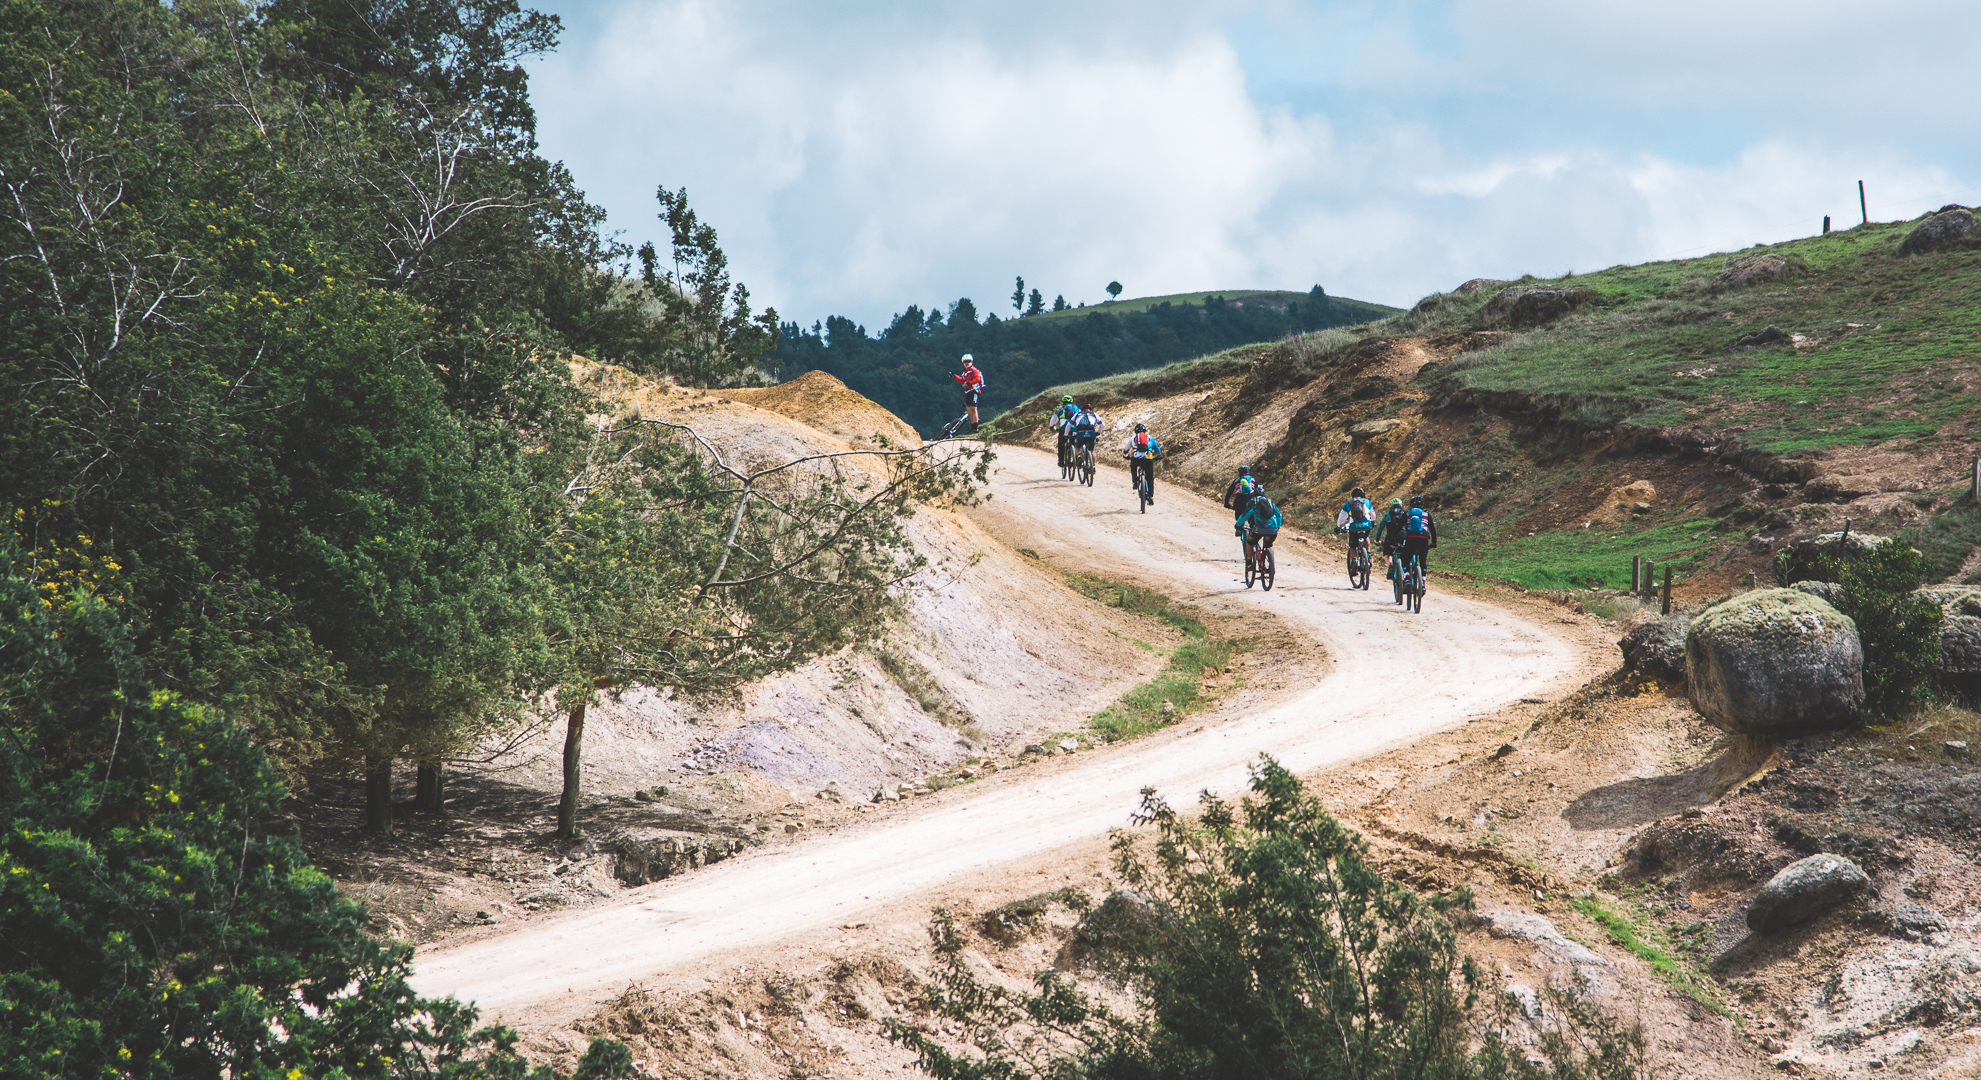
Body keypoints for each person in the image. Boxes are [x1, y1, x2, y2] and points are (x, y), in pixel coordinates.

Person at [1334, 487, 1377, 578]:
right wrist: (1372, 522)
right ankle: (1368, 557)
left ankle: (1354, 561)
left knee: (1353, 545)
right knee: (1366, 538)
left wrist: (1339, 527)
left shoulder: (1348, 503)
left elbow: (1342, 517)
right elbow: (1373, 515)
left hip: (1354, 527)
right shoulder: (1367, 502)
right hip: (1366, 525)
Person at [1373, 497, 1410, 602]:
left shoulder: (1387, 515)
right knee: (1403, 556)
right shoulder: (1405, 514)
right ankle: (1404, 571)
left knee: (1387, 553)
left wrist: (1377, 539)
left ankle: (1390, 566)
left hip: (1391, 538)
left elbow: (1380, 528)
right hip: (1403, 536)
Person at [1235, 492, 1282, 571]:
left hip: (1259, 529)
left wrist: (1238, 524)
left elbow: (1245, 515)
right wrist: (1277, 526)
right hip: (1273, 530)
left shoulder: (1254, 502)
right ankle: (1271, 567)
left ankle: (1249, 564)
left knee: (1249, 542)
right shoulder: (1270, 502)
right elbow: (1279, 515)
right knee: (1269, 544)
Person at [1398, 495, 1438, 586]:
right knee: (1423, 561)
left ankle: (1407, 578)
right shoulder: (1427, 515)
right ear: (1422, 505)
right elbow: (1432, 530)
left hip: (1411, 538)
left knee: (1406, 559)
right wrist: (1434, 542)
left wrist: (1392, 541)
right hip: (1424, 538)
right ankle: (1423, 583)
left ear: (1411, 505)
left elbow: (1398, 529)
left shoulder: (1407, 514)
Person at [1121, 423, 1163, 501]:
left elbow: (1126, 449)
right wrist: (1158, 456)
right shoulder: (1150, 438)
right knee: (1150, 477)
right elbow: (1157, 449)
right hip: (1148, 458)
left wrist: (1126, 455)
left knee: (1133, 466)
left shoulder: (1133, 438)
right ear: (1145, 431)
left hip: (1137, 459)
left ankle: (1135, 481)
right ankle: (1150, 495)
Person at [951, 354, 984, 432]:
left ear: (971, 362)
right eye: (965, 361)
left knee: (973, 408)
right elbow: (962, 380)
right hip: (968, 391)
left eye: (968, 361)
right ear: (963, 363)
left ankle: (975, 427)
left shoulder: (974, 370)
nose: (967, 363)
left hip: (974, 390)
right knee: (969, 409)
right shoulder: (965, 372)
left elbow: (977, 379)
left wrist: (969, 383)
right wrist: (954, 376)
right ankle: (972, 427)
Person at [1049, 395, 1080, 466]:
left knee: (1061, 444)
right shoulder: (1076, 407)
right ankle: (1077, 458)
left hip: (1063, 428)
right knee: (1075, 443)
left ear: (1063, 401)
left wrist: (1052, 427)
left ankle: (1061, 461)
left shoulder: (1059, 408)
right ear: (1071, 401)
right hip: (1075, 428)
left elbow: (1053, 420)